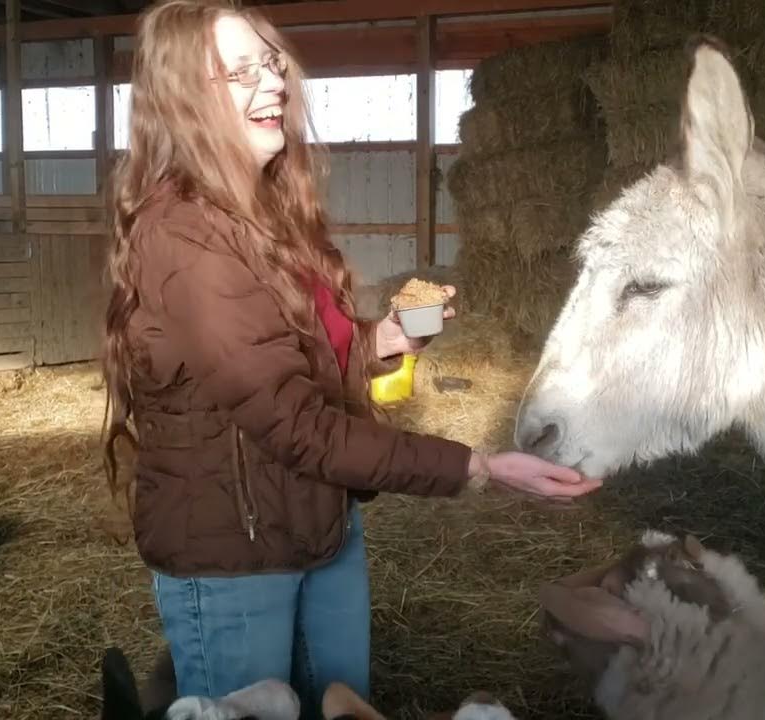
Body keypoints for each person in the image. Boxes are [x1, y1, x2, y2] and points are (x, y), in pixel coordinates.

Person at [98, 0, 603, 715]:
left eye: (271, 64)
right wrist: (477, 465)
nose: (272, 84)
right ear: (182, 100)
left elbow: (300, 356)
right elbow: (296, 422)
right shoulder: (185, 238)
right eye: (238, 72)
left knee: (344, 707)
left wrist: (384, 340)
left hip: (320, 527)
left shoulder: (268, 218)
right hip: (234, 556)